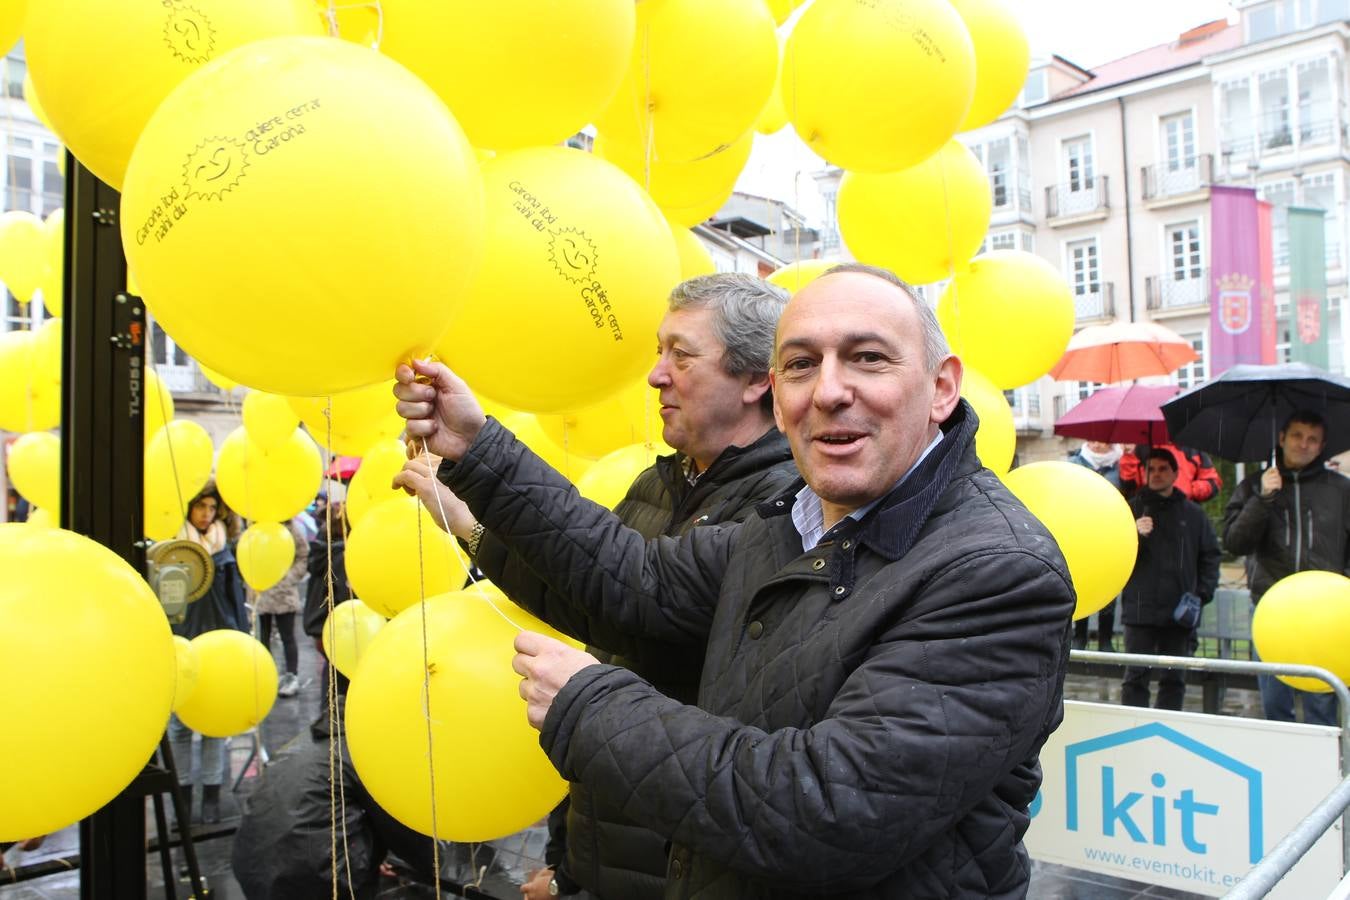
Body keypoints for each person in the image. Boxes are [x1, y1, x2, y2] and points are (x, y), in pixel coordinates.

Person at [395, 264, 1075, 899]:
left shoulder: (997, 570)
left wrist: (590, 706)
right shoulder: (788, 526)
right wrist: (479, 449)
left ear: (942, 387)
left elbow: (831, 810)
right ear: (777, 398)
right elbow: (630, 580)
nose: (831, 390)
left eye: (868, 357)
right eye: (802, 364)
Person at [395, 273, 798, 900]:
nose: (655, 375)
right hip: (608, 837)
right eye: (659, 352)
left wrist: (480, 448)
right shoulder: (657, 486)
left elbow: (641, 587)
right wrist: (467, 520)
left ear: (756, 379)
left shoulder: (789, 505)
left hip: (685, 862)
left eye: (681, 354)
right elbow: (591, 595)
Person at [1224, 410, 1350, 726]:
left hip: (1325, 612)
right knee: (1275, 704)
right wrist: (1263, 499)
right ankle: (1281, 769)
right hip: (1272, 609)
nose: (1303, 444)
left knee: (1322, 704)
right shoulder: (1255, 485)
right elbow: (1235, 542)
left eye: (1312, 439)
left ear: (1322, 447)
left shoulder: (1340, 489)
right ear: (1282, 438)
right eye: (1297, 435)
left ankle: (1324, 771)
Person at [168, 482, 249, 826]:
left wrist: (242, 639)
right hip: (181, 644)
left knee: (216, 722)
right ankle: (183, 798)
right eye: (200, 507)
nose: (206, 514)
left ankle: (213, 794)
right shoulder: (172, 551)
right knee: (180, 726)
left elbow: (236, 600)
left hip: (221, 644)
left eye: (212, 508)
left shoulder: (224, 550)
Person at [1118, 448, 1220, 710]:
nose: (1156, 474)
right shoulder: (1131, 510)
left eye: (1163, 469)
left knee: (1174, 679)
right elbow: (1113, 554)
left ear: (1176, 473)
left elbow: (1210, 555)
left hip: (1179, 613)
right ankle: (1133, 727)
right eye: (1151, 469)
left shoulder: (1193, 514)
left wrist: (1200, 594)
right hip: (1140, 610)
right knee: (1135, 678)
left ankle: (1166, 728)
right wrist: (1133, 535)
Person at [1067, 440, 1123, 650]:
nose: (1098, 445)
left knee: (1108, 585)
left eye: (1103, 440)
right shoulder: (1075, 462)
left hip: (1112, 536)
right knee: (1082, 583)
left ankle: (1105, 639)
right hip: (1082, 533)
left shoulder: (1121, 466)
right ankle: (1079, 635)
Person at [252, 515, 310, 699]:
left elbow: (303, 555)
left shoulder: (291, 529)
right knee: (263, 637)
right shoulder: (257, 529)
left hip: (284, 592)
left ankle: (291, 676)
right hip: (262, 589)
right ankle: (265, 677)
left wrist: (290, 578)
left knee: (287, 636)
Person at [1118, 442, 1222, 503]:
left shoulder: (1192, 447)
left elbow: (1213, 483)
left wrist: (1191, 489)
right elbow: (1129, 485)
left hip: (1185, 512)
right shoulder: (1141, 447)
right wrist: (1129, 455)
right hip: (1148, 511)